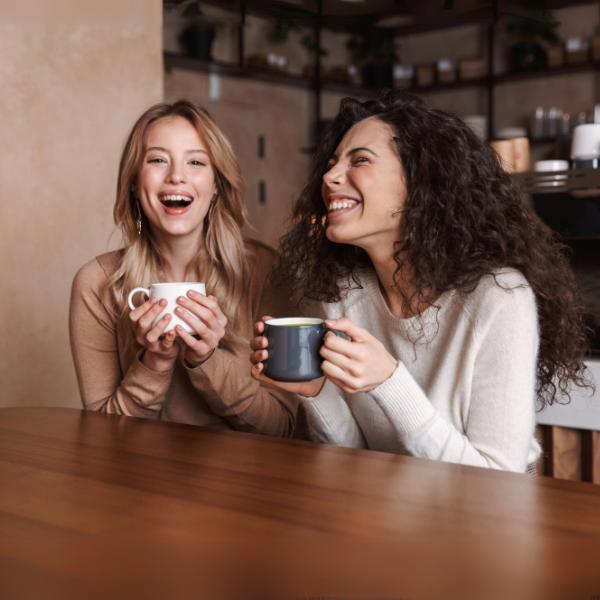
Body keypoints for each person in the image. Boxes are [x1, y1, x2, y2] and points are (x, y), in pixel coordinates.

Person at [250, 89, 593, 472]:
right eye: (331, 164)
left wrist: (389, 382)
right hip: (388, 510)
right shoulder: (347, 292)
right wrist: (316, 392)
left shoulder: (499, 298)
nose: (329, 176)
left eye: (359, 160)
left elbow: (497, 479)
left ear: (421, 182)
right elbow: (355, 450)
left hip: (484, 522)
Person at [70, 100, 297, 436]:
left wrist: (208, 360)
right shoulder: (97, 284)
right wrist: (154, 363)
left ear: (217, 184)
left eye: (195, 162)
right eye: (158, 160)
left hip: (247, 482)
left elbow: (282, 428)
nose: (176, 176)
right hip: (139, 481)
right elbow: (103, 434)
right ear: (134, 182)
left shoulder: (265, 271)